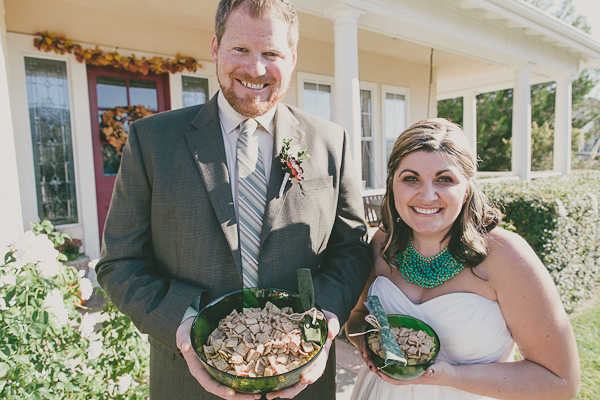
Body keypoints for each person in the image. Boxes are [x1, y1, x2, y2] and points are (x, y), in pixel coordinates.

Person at [95, 0, 372, 399]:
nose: (255, 69)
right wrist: (187, 327)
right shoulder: (151, 142)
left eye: (271, 53)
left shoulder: (332, 143)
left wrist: (324, 319)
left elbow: (351, 250)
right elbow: (120, 262)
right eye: (240, 49)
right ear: (215, 48)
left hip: (303, 382)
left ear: (291, 59)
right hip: (189, 382)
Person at [345, 119, 580, 400]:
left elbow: (560, 382)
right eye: (411, 178)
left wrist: (451, 376)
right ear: (392, 185)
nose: (427, 195)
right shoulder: (383, 241)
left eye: (445, 179)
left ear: (467, 187)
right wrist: (369, 347)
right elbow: (358, 318)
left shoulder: (505, 256)